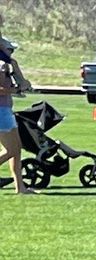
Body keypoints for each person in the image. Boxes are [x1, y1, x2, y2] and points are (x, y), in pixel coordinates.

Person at [0, 16, 32, 197]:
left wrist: (21, 85)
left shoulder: (8, 65)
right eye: (7, 47)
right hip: (0, 111)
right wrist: (13, 89)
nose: (9, 50)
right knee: (10, 150)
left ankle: (20, 187)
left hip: (5, 109)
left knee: (16, 149)